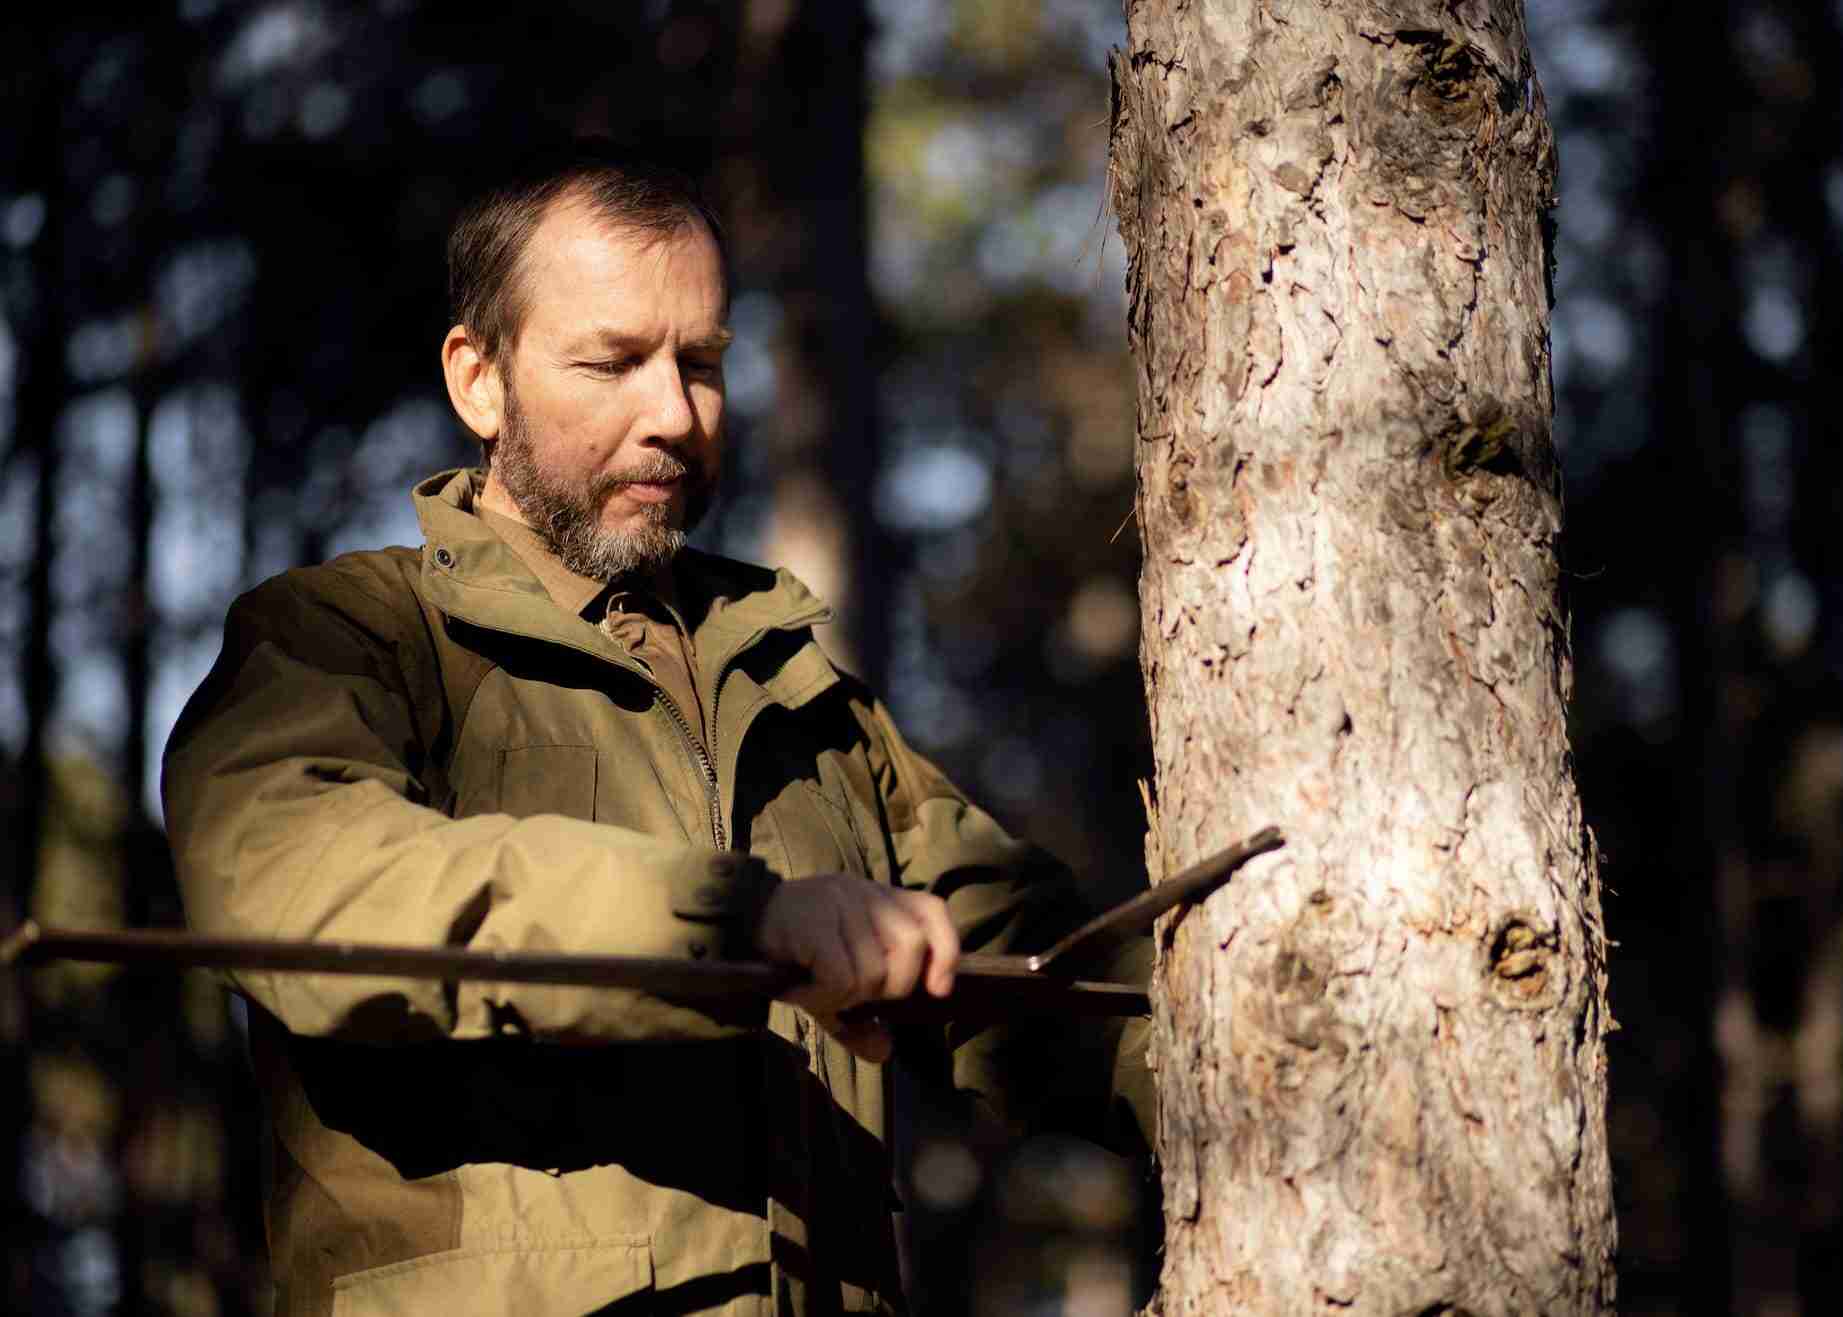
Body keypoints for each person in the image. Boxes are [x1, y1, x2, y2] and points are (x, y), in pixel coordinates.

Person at [162, 139, 1149, 1317]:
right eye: (612, 362)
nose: (674, 416)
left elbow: (1033, 974)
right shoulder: (342, 636)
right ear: (479, 380)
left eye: (703, 362)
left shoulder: (799, 688)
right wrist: (737, 921)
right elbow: (302, 888)